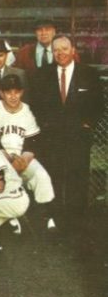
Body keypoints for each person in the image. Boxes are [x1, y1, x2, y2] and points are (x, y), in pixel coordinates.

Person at [32, 35, 102, 221]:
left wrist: (88, 124)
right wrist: (45, 126)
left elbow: (99, 105)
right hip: (52, 137)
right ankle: (54, 218)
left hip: (79, 137)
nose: (60, 53)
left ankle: (76, 219)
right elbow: (35, 104)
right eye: (56, 50)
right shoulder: (42, 74)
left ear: (73, 50)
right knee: (53, 175)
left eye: (64, 48)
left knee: (78, 177)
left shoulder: (89, 74)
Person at [0, 74, 56, 231]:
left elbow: (32, 143)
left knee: (42, 177)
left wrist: (23, 161)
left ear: (21, 92)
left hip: (22, 157)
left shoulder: (28, 111)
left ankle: (45, 215)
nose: (13, 96)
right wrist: (9, 161)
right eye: (8, 92)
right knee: (3, 181)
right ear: (1, 93)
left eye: (16, 92)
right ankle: (8, 216)